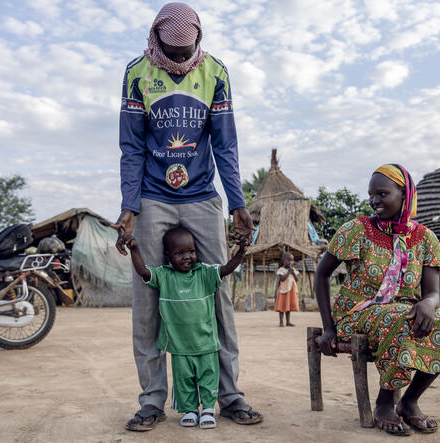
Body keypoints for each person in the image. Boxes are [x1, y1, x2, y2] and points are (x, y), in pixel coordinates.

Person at [112, 2, 262, 431]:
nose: (179, 63)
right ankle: (153, 400)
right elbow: (131, 147)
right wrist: (129, 207)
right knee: (147, 303)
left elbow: (225, 144)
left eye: (186, 53)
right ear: (155, 39)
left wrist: (237, 204)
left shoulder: (215, 72)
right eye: (171, 54)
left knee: (219, 298)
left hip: (201, 197)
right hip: (152, 197)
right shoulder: (136, 73)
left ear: (198, 40)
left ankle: (229, 395)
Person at [314, 164, 440, 436]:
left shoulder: (425, 238)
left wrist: (428, 303)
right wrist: (328, 326)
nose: (374, 200)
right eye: (371, 195)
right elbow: (321, 275)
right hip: (358, 313)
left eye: (382, 193)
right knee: (401, 319)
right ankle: (384, 402)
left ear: (405, 195)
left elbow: (433, 293)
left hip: (404, 312)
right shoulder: (357, 229)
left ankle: (409, 400)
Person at [125, 227, 247, 429]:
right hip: (179, 346)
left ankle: (208, 409)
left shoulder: (204, 274)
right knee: (184, 381)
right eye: (179, 253)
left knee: (208, 378)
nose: (187, 257)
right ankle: (190, 410)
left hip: (206, 343)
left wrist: (241, 252)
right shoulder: (165, 276)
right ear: (168, 256)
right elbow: (143, 271)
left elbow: (226, 269)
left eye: (191, 251)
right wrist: (135, 250)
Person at [274, 252, 299, 327]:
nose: (290, 262)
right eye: (288, 260)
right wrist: (288, 272)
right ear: (283, 261)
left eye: (292, 260)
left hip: (291, 290)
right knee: (282, 306)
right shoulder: (281, 270)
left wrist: (293, 273)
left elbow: (297, 279)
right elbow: (282, 279)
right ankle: (281, 322)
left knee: (288, 306)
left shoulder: (293, 269)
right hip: (283, 290)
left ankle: (288, 322)